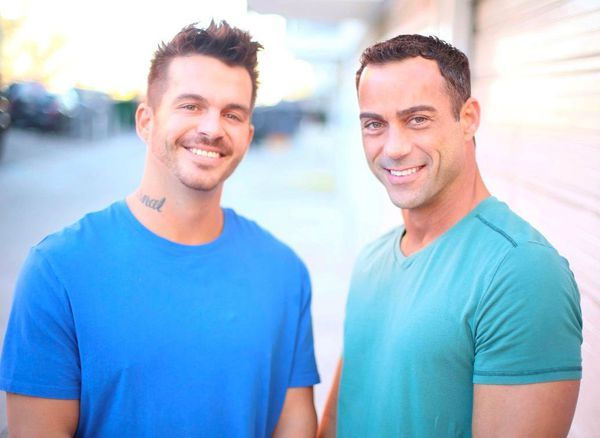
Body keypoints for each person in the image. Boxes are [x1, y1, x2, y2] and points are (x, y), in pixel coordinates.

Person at [0, 21, 319, 436]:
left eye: (232, 114)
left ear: (248, 134)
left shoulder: (284, 272)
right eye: (191, 106)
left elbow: (294, 425)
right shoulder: (59, 269)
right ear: (145, 121)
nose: (212, 128)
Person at [319, 34, 582, 437]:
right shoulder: (371, 260)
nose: (394, 148)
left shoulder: (522, 271)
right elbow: (338, 421)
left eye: (417, 119)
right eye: (374, 124)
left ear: (468, 118)